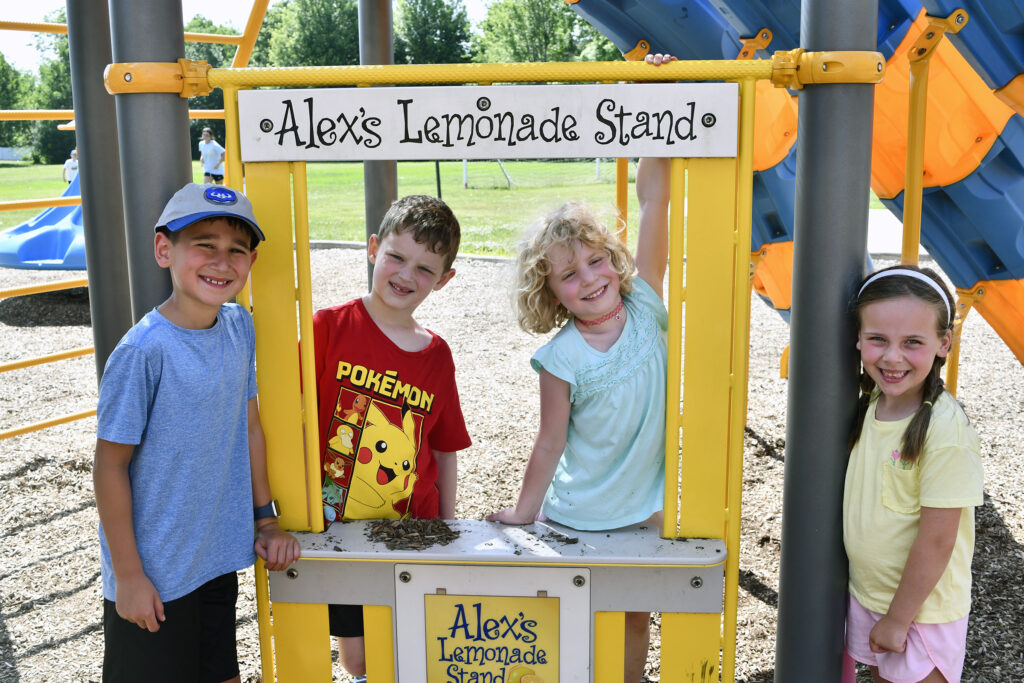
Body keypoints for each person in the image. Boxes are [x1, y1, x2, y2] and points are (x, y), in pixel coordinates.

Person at [93, 183, 301, 683]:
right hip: (156, 575)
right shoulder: (144, 351)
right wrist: (128, 576)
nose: (221, 262)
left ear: (252, 260)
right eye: (204, 244)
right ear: (164, 249)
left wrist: (265, 519)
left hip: (215, 558)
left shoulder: (238, 326)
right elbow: (109, 465)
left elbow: (248, 426)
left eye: (236, 250)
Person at [486, 154, 671, 681]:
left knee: (635, 617)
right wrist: (525, 511)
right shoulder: (562, 357)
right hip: (577, 515)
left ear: (615, 258)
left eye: (596, 261)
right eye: (569, 275)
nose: (589, 279)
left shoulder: (646, 304)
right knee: (577, 615)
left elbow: (654, 201)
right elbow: (550, 442)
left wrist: (662, 126)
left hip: (643, 510)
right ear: (550, 294)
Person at [313, 194, 471, 680]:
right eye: (397, 257)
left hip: (412, 533)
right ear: (373, 248)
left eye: (425, 269)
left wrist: (446, 528)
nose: (406, 276)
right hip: (337, 530)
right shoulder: (327, 328)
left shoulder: (436, 355)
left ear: (444, 280)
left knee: (410, 641)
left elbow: (444, 449)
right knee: (359, 657)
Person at [844, 265, 984, 683]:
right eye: (878, 340)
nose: (892, 357)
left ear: (944, 344)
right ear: (858, 339)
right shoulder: (872, 405)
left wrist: (899, 618)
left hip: (921, 611)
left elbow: (939, 539)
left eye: (912, 343)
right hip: (875, 596)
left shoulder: (946, 430)